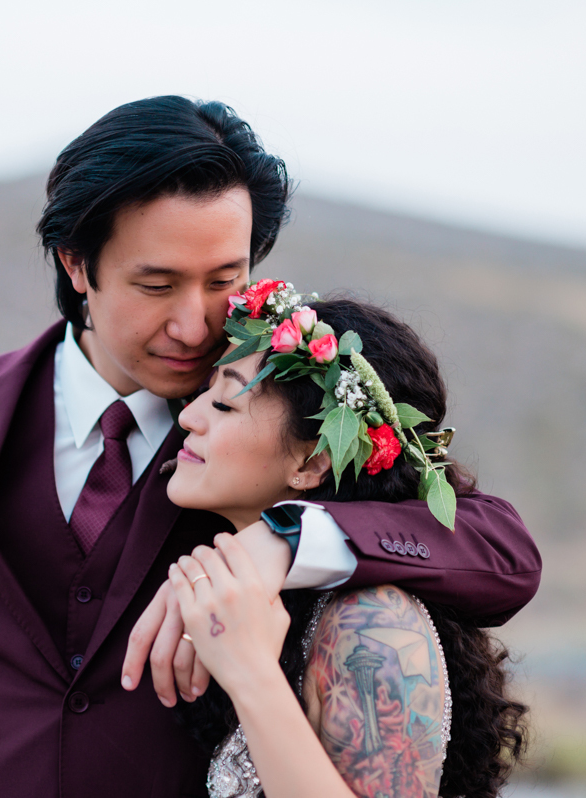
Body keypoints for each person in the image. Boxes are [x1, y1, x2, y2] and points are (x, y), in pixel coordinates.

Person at [0, 96, 540, 798]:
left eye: (224, 282)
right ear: (76, 265)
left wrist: (285, 540)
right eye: (157, 284)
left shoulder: (268, 425)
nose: (194, 327)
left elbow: (501, 552)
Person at [165, 294, 527, 798]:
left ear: (313, 463)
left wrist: (247, 668)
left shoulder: (371, 623)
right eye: (201, 394)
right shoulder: (266, 594)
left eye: (225, 403)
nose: (188, 418)